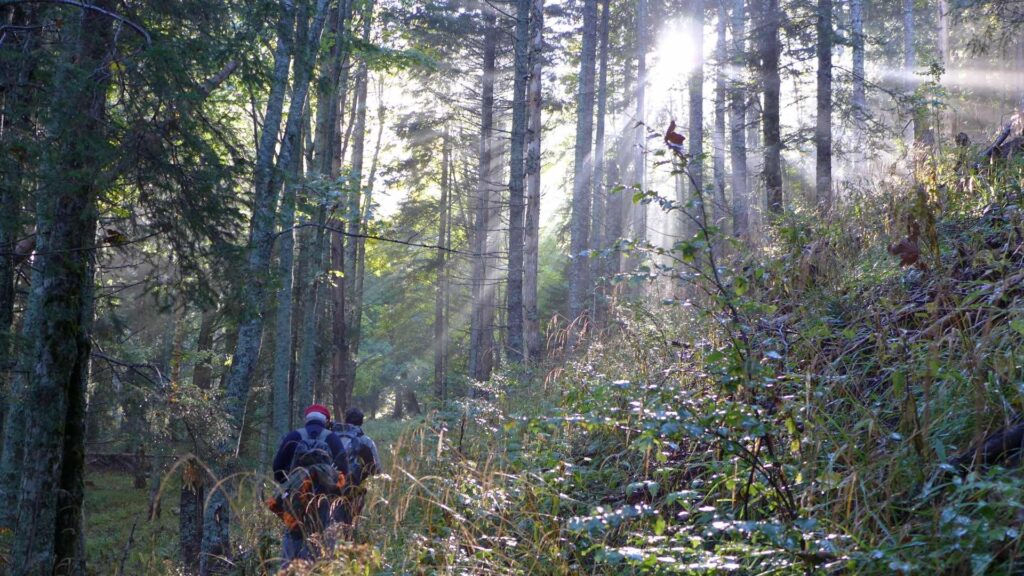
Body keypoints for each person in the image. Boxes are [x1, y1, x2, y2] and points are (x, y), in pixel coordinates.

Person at [271, 404, 350, 566]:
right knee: (321, 534)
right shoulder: (332, 438)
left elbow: (277, 467)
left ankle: (288, 569)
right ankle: (318, 568)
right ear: (326, 421)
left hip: (295, 495)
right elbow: (344, 470)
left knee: (293, 533)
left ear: (307, 419)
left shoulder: (293, 436)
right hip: (324, 498)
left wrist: (289, 483)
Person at [332, 407, 381, 531]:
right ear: (361, 422)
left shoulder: (330, 437)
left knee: (331, 525)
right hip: (354, 490)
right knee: (350, 525)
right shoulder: (365, 441)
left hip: (330, 487)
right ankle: (348, 546)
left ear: (345, 420)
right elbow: (376, 470)